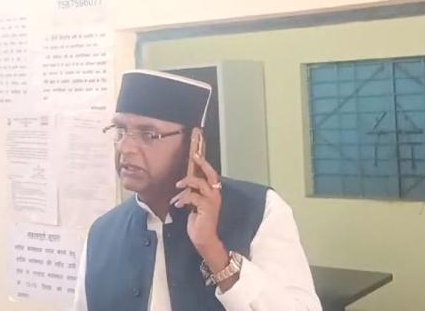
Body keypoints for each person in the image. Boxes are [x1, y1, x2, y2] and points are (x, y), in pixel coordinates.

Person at [72, 70, 321, 311]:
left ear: (194, 144)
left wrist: (214, 252)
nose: (126, 147)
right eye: (120, 131)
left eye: (148, 135)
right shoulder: (102, 233)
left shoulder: (259, 210)